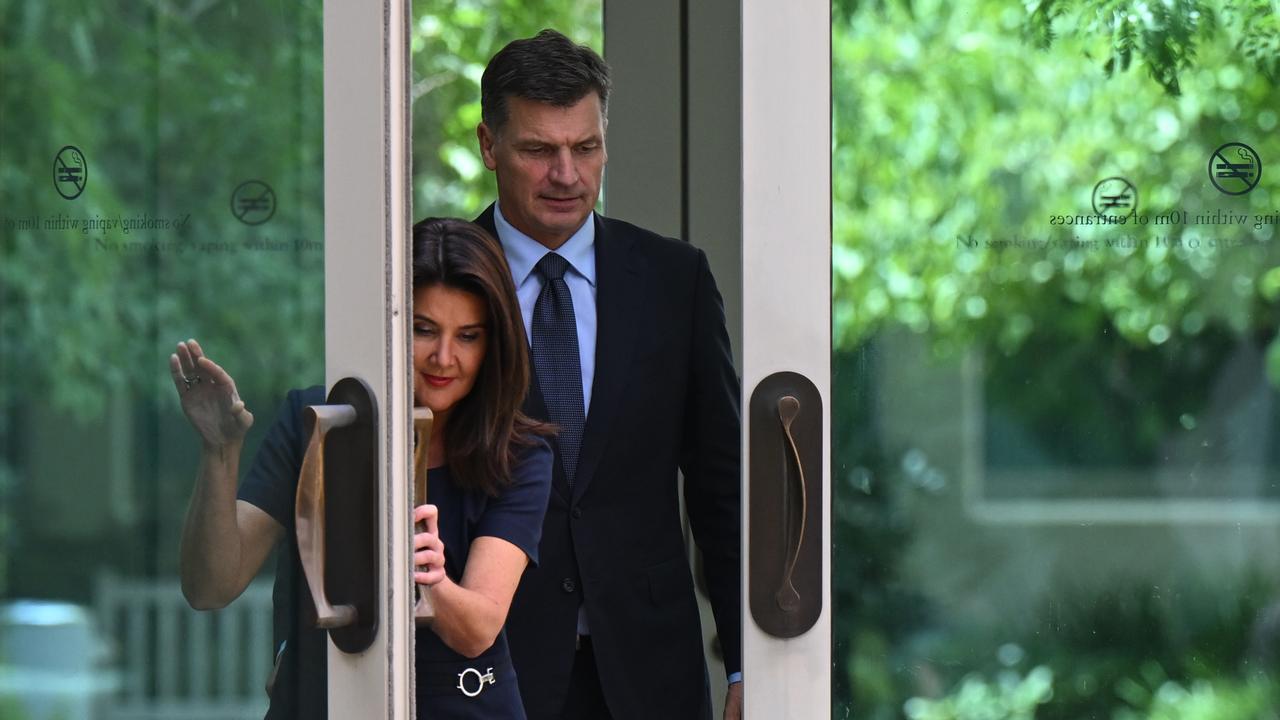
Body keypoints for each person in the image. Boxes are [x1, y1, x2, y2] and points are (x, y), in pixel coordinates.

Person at [173, 218, 553, 719]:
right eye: (423, 329)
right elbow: (210, 586)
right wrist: (220, 451)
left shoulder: (519, 452)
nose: (444, 358)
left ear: (493, 344)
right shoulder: (318, 421)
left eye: (468, 336)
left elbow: (478, 629)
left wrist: (430, 578)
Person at [473, 29, 743, 720]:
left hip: (651, 671)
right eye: (539, 150)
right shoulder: (439, 279)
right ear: (488, 146)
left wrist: (749, 662)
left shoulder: (676, 280)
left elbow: (722, 486)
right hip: (491, 668)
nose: (567, 174)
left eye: (586, 147)